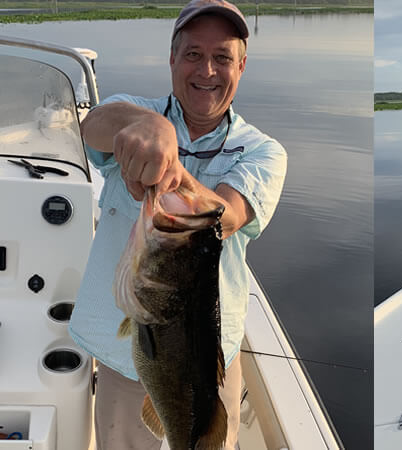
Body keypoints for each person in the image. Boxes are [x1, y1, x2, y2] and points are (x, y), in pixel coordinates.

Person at [68, 0, 287, 448]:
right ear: (172, 58)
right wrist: (151, 127)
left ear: (241, 66)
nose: (206, 69)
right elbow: (93, 124)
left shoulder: (263, 151)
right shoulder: (131, 113)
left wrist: (171, 174)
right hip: (124, 358)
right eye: (192, 53)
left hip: (210, 364)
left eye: (222, 57)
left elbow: (225, 215)